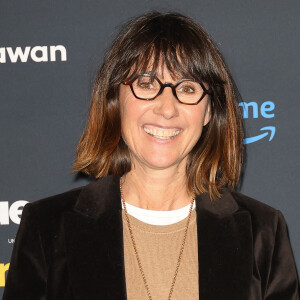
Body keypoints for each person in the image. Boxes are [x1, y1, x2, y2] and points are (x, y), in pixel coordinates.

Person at [3, 11, 299, 300]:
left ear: (209, 110)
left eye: (187, 88)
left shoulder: (263, 232)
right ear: (115, 100)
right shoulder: (46, 227)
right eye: (147, 84)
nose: (167, 108)